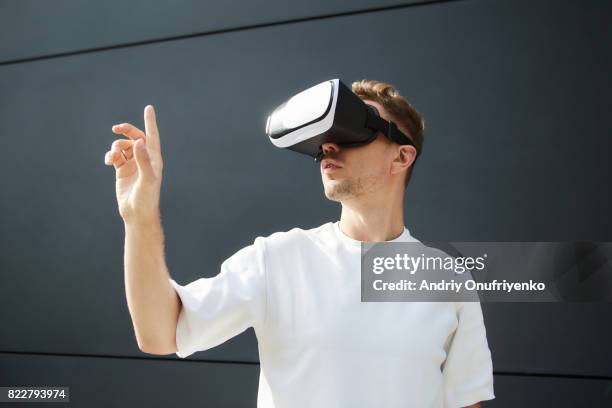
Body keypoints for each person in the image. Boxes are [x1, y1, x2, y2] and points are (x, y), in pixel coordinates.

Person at [104, 79, 495, 408]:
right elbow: (160, 333)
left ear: (401, 156)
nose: (328, 146)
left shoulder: (447, 280)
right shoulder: (278, 259)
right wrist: (138, 218)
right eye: (324, 137)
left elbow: (466, 402)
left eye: (349, 130)